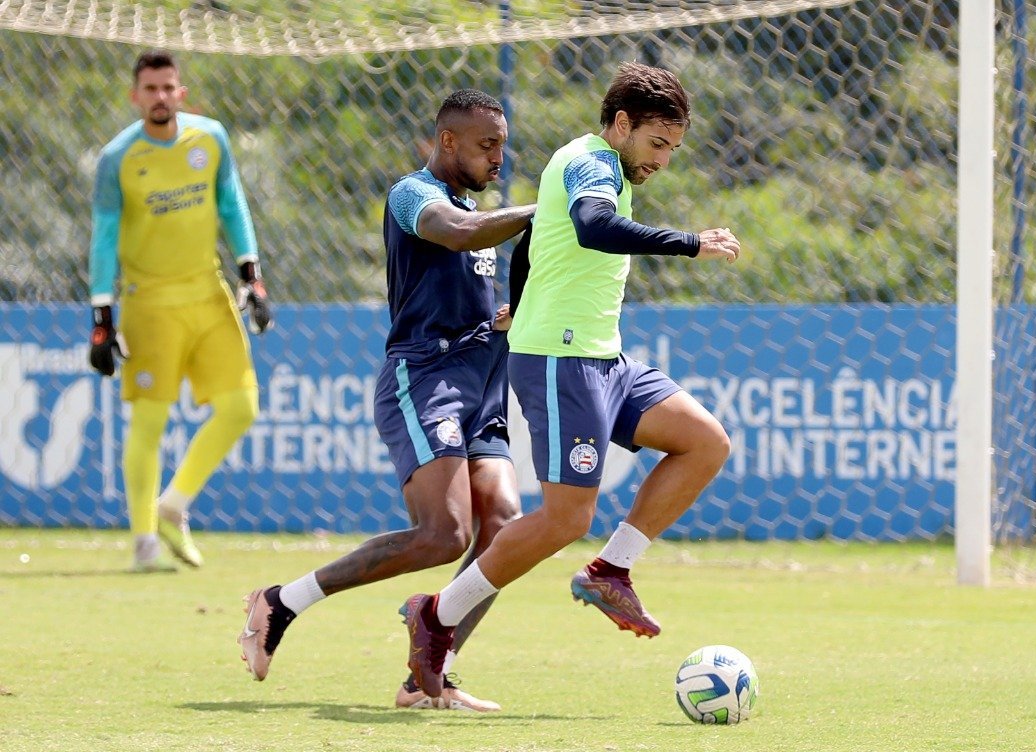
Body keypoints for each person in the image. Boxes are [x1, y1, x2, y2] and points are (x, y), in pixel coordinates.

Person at [398, 62, 742, 701]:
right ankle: (437, 614)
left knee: (706, 441)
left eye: (672, 148)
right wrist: (691, 243)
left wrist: (521, 299)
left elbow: (533, 242)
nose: (663, 159)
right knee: (564, 518)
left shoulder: (608, 167)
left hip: (604, 358)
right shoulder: (591, 163)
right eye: (656, 143)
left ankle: (612, 568)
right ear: (620, 125)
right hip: (561, 361)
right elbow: (592, 226)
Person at [237, 90, 536, 712]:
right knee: (443, 534)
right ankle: (282, 601)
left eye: (503, 146)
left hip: (485, 382)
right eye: (487, 146)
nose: (498, 159)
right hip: (425, 379)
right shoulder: (414, 194)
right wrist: (550, 207)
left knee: (503, 528)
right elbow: (457, 235)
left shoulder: (480, 209)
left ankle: (430, 671)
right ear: (447, 142)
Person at [88, 49, 269, 572]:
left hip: (208, 293)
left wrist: (250, 274)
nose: (160, 97)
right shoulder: (117, 157)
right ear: (135, 96)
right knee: (149, 421)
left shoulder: (209, 137)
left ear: (181, 92)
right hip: (149, 303)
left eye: (169, 88)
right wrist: (102, 316)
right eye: (151, 89)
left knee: (241, 406)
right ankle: (144, 540)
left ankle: (173, 505)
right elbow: (103, 237)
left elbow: (232, 204)